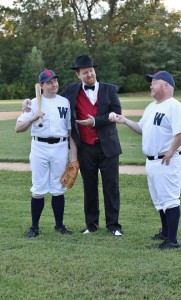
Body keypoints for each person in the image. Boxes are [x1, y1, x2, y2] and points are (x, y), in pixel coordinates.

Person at [22, 55, 123, 236]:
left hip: (108, 146)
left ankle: (113, 225)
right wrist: (27, 102)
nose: (89, 74)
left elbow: (117, 112)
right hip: (86, 148)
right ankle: (91, 224)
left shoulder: (109, 89)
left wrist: (96, 121)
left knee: (111, 186)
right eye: (85, 72)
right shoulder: (71, 91)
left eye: (91, 71)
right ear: (78, 75)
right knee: (89, 187)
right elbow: (48, 97)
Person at [109, 71, 181, 249]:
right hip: (152, 161)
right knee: (160, 200)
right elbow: (141, 128)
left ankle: (172, 240)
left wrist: (171, 150)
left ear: (165, 85)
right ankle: (165, 232)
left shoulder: (174, 106)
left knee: (170, 199)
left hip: (167, 160)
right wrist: (124, 120)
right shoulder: (152, 107)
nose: (150, 86)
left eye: (154, 82)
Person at [16, 69, 77, 238]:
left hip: (60, 147)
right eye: (49, 82)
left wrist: (74, 157)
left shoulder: (65, 102)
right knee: (38, 188)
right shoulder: (32, 103)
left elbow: (70, 130)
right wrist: (33, 117)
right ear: (41, 85)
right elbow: (18, 128)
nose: (54, 84)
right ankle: (34, 227)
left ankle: (59, 226)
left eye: (55, 81)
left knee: (58, 187)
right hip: (39, 147)